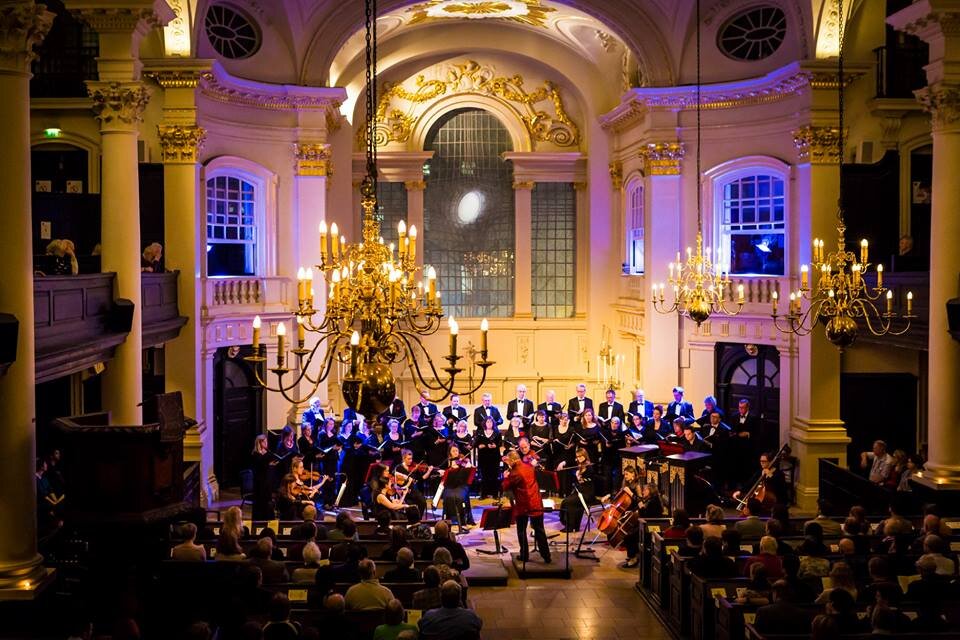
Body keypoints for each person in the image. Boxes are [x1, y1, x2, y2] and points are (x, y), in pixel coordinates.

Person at [501, 450, 551, 564]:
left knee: (521, 530)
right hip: (536, 501)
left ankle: (524, 555)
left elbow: (505, 486)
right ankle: (546, 556)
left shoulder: (515, 473)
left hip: (524, 504)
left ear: (513, 460)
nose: (508, 464)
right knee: (539, 530)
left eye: (509, 462)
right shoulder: (529, 467)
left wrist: (505, 477)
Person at [418, 581, 482, 640]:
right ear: (459, 599)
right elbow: (479, 624)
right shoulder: (470, 616)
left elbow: (420, 625)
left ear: (441, 597)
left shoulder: (429, 616)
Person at [557, 447, 595, 533]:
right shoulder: (579, 466)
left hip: (587, 493)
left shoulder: (589, 467)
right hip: (580, 491)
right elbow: (570, 462)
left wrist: (579, 477)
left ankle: (571, 526)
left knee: (568, 502)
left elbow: (588, 480)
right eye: (578, 456)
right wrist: (563, 464)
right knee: (565, 501)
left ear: (585, 456)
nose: (579, 458)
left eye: (581, 456)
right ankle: (571, 525)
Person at [441, 444, 474, 529]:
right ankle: (448, 519)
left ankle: (463, 520)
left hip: (462, 485)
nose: (455, 453)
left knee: (460, 498)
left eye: (457, 451)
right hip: (450, 486)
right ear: (450, 453)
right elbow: (439, 469)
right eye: (453, 451)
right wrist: (444, 471)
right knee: (447, 497)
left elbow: (470, 469)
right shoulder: (447, 461)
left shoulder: (463, 460)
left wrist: (468, 464)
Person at [473, 417, 502, 499]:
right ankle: (484, 494)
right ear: (484, 423)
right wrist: (480, 446)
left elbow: (499, 443)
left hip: (494, 457)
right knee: (484, 476)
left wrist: (495, 445)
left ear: (493, 423)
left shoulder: (497, 433)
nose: (489, 423)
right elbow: (475, 444)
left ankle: (495, 494)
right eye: (487, 422)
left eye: (490, 422)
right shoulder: (480, 433)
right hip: (483, 457)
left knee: (494, 475)